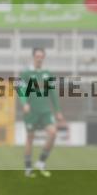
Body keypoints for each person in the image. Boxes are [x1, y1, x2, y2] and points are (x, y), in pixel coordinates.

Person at [17, 48, 65, 178]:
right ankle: (28, 168)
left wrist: (58, 111)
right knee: (30, 138)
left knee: (53, 133)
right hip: (31, 111)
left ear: (44, 58)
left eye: (41, 56)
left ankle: (41, 162)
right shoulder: (26, 73)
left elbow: (53, 93)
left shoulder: (48, 74)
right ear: (33, 57)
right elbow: (19, 88)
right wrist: (24, 102)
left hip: (45, 111)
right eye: (37, 56)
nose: (39, 58)